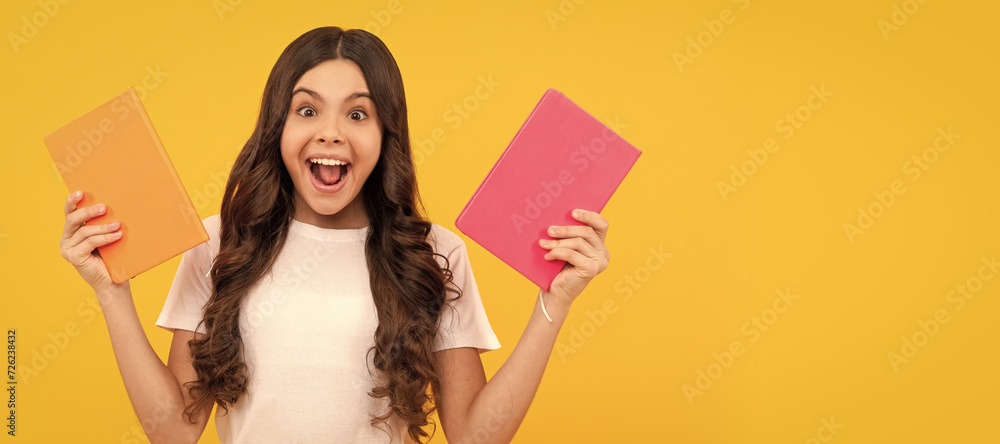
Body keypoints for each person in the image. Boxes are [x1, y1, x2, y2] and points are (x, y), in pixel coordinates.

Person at [58, 26, 610, 444]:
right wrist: (111, 291)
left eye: (358, 114)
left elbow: (473, 434)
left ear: (384, 132)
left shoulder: (433, 253)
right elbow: (175, 430)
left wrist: (554, 304)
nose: (330, 132)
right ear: (279, 128)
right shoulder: (221, 242)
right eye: (307, 110)